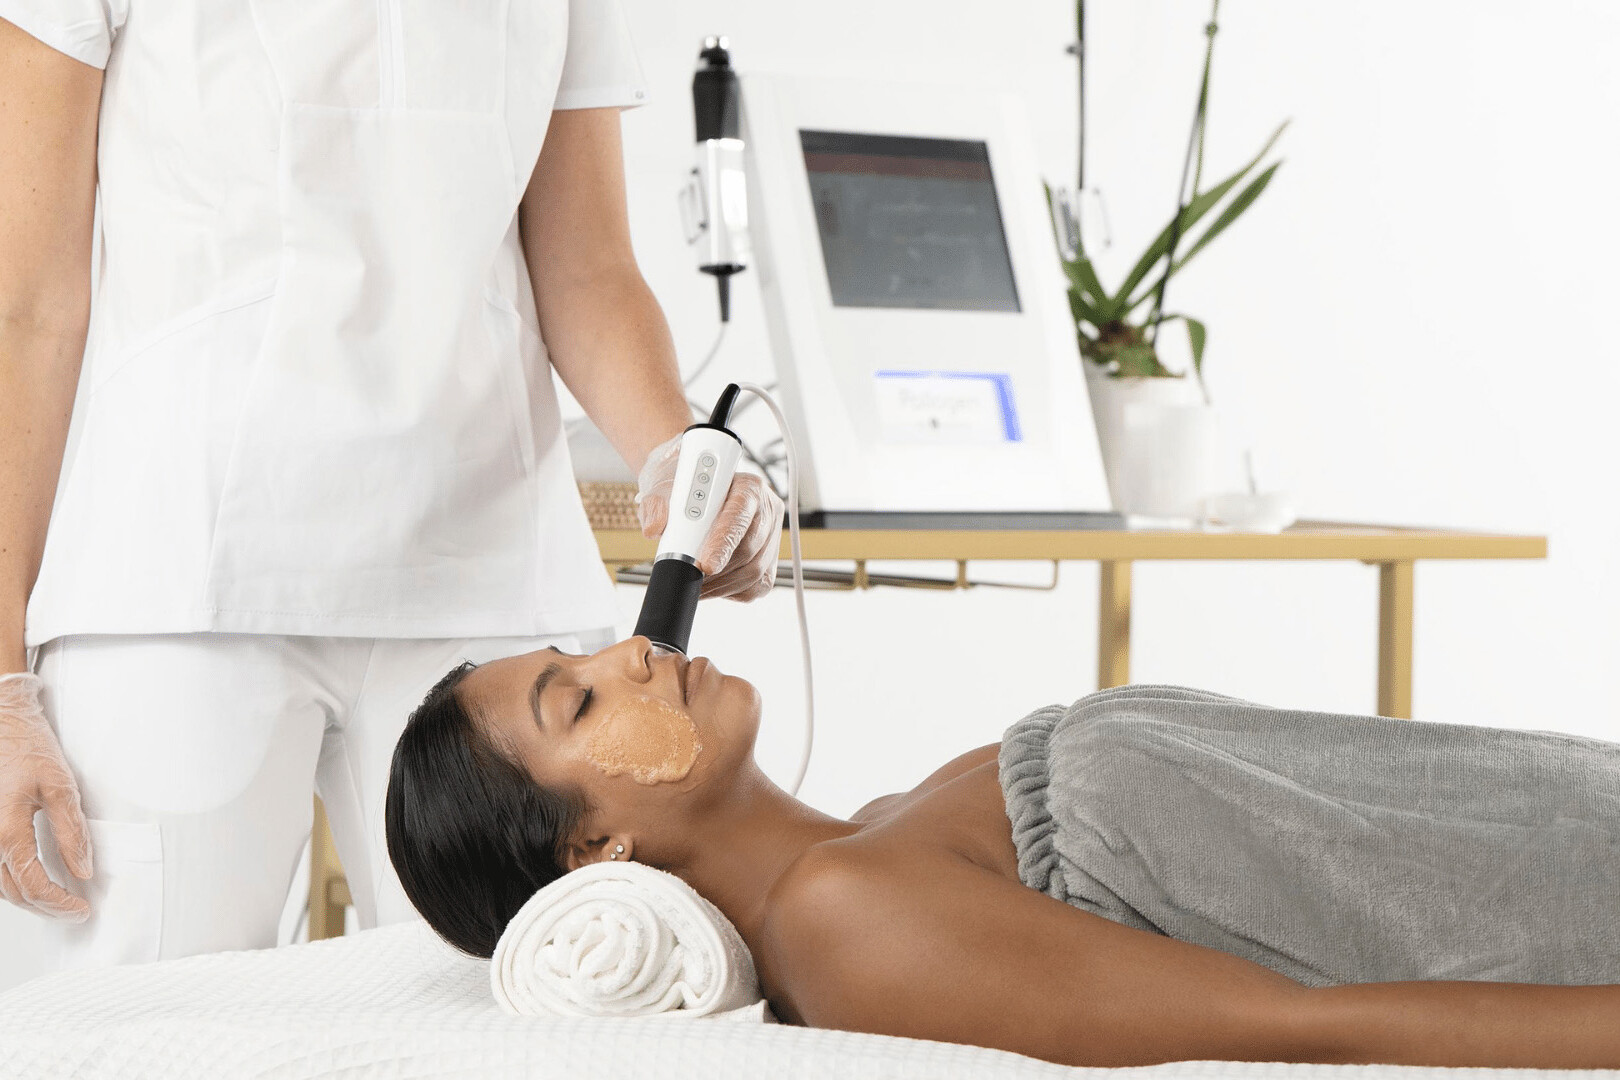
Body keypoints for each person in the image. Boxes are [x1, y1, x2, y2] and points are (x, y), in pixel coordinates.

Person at [0, 2, 784, 971]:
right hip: (176, 581)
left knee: (532, 1006)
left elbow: (585, 267)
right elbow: (26, 308)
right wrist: (1, 676)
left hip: (489, 599)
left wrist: (677, 449)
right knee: (129, 1019)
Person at [385, 638, 1620, 1069]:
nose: (630, 653)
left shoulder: (885, 822)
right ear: (598, 845)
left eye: (587, 656)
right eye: (579, 703)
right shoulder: (841, 917)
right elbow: (1302, 1029)